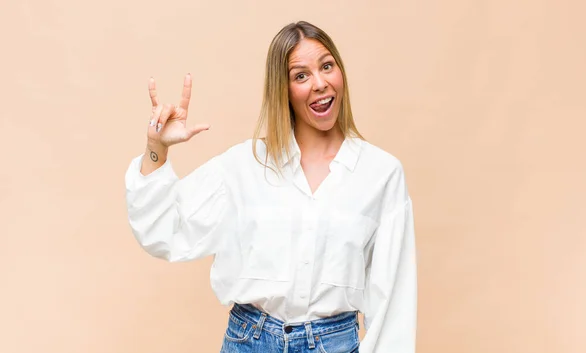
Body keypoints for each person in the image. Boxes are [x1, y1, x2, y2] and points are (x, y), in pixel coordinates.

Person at [125, 21, 417, 353]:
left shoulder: (381, 173)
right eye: (301, 75)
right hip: (250, 341)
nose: (320, 84)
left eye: (327, 66)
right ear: (283, 89)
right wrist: (157, 149)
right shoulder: (244, 165)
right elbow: (165, 231)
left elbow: (393, 300)